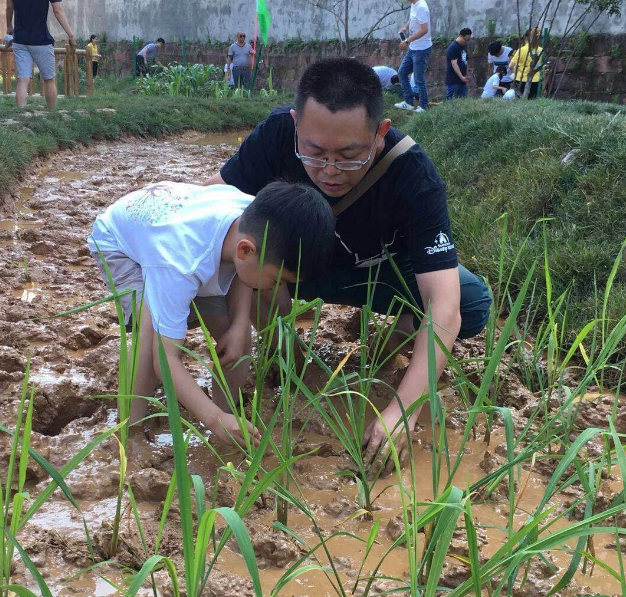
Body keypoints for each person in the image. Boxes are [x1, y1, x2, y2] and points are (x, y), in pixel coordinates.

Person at [203, 57, 491, 469]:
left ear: (380, 134)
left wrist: (402, 411)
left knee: (471, 301)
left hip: (376, 273)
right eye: (315, 152)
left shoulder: (413, 174)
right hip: (294, 271)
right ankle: (286, 352)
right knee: (242, 261)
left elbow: (444, 307)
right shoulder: (275, 137)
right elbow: (215, 208)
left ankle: (385, 349)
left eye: (350, 154)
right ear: (296, 125)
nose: (331, 171)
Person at [88, 181, 336, 446]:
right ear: (245, 250)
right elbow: (165, 358)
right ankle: (129, 434)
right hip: (124, 243)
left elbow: (243, 271)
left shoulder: (256, 217)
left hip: (183, 224)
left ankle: (230, 420)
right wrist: (212, 418)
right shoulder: (177, 264)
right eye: (277, 280)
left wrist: (240, 324)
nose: (278, 289)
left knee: (236, 340)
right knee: (151, 342)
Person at [6, 0, 76, 109]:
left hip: (20, 40)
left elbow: (9, 7)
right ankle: (51, 113)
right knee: (49, 79)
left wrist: (9, 26)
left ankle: (21, 113)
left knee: (23, 80)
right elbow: (58, 10)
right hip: (41, 40)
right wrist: (71, 36)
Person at [395, 0, 432, 112]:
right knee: (402, 72)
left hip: (421, 49)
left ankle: (423, 106)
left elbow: (424, 29)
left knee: (418, 79)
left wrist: (407, 41)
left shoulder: (421, 7)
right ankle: (408, 102)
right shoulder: (414, 4)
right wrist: (405, 27)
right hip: (413, 47)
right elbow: (412, 19)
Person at [510, 27, 543, 99]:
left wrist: (515, 72)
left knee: (519, 103)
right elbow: (540, 65)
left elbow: (511, 65)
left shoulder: (521, 50)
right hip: (535, 80)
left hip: (520, 79)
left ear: (525, 38)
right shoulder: (541, 50)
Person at [445, 28, 472, 100]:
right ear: (460, 36)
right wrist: (461, 77)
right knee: (451, 100)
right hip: (453, 79)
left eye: (468, 40)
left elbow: (465, 61)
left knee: (463, 100)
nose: (466, 42)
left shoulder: (464, 46)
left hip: (462, 79)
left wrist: (466, 74)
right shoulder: (453, 47)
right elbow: (454, 64)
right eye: (465, 40)